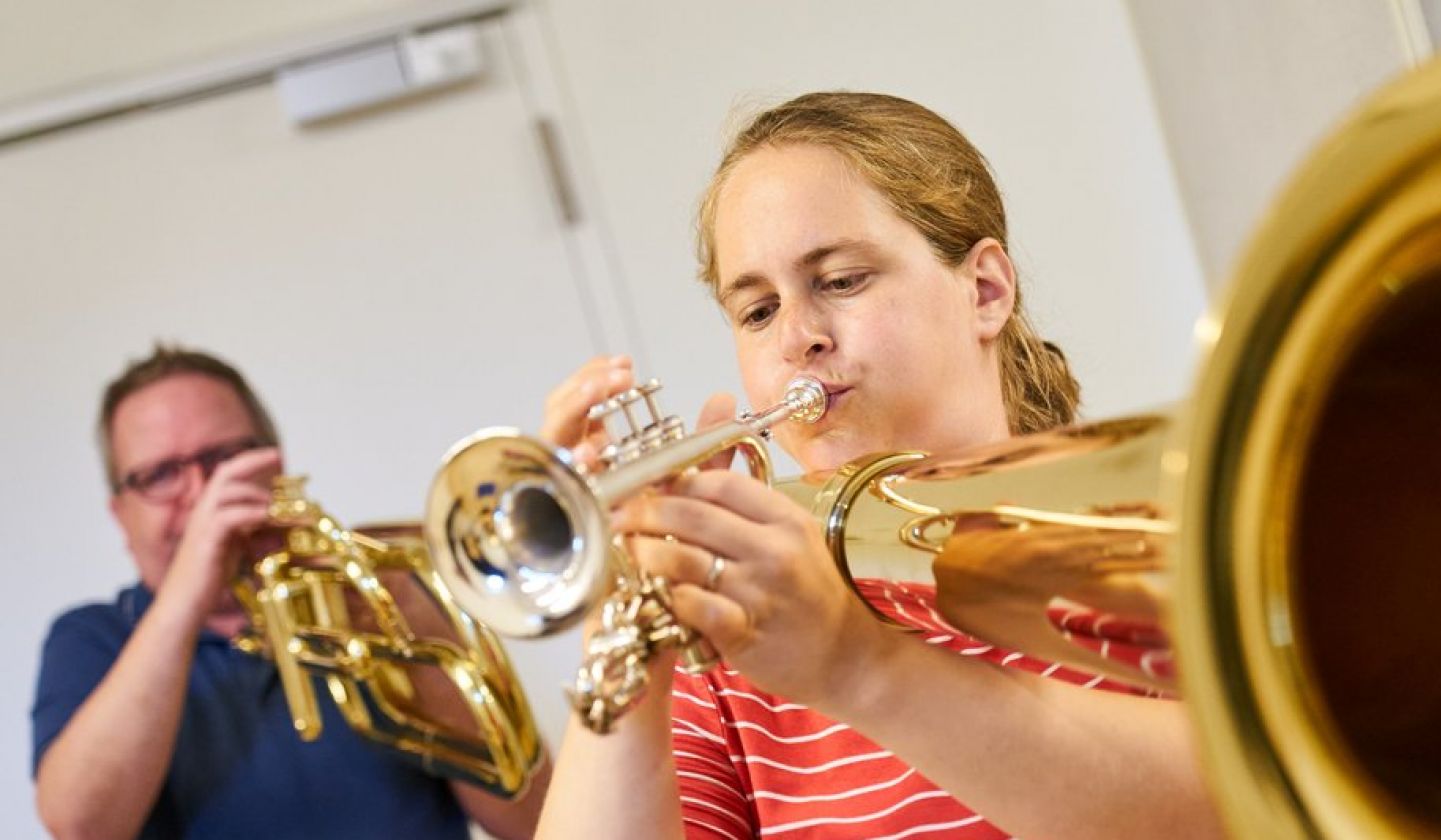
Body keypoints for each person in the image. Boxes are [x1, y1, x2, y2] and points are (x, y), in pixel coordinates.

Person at [534, 92, 1222, 839]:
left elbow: (1244, 807)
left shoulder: (1150, 548)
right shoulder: (735, 641)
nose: (798, 336)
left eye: (840, 280)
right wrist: (622, 644)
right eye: (758, 310)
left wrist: (855, 665)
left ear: (986, 291)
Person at [32, 345, 550, 840]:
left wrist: (418, 632)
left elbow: (538, 822)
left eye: (222, 457)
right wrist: (188, 591)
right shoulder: (93, 637)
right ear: (121, 515)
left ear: (273, 468)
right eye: (161, 474)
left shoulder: (376, 595)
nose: (201, 494)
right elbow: (82, 826)